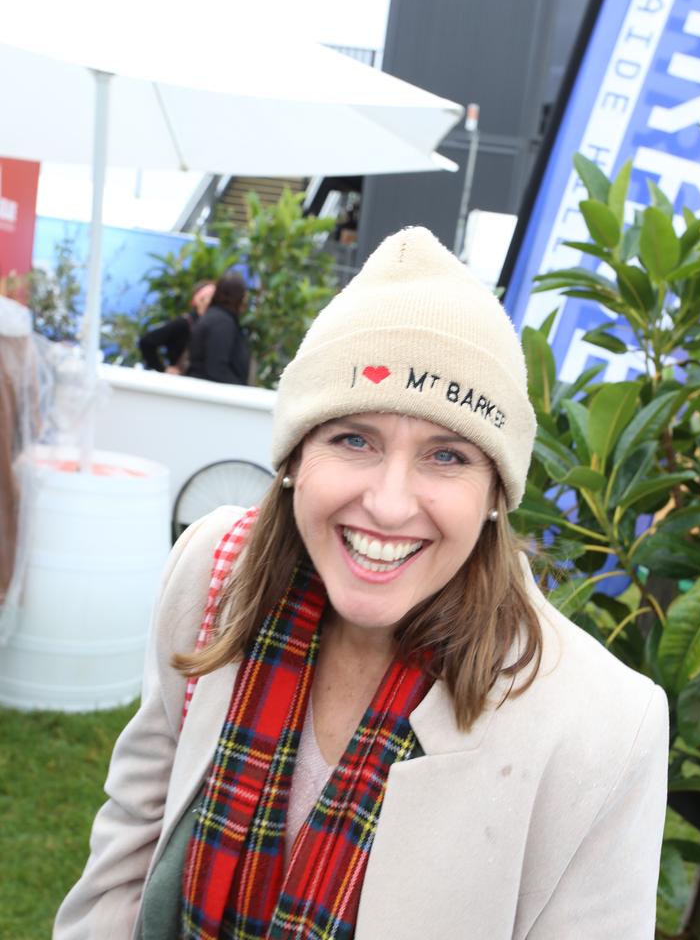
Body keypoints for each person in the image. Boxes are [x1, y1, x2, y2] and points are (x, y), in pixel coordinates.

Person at [54, 227, 668, 940]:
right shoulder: (212, 572)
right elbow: (129, 844)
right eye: (354, 439)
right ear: (293, 458)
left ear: (497, 493)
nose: (388, 502)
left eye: (447, 455)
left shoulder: (604, 726)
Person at [185, 271, 250, 385]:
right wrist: (242, 392)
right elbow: (217, 369)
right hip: (209, 395)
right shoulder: (221, 322)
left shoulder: (217, 317)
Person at [138, 280, 215, 375]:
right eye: (204, 298)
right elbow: (146, 342)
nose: (208, 301)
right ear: (195, 300)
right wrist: (163, 369)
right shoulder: (184, 323)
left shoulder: (215, 326)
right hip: (180, 383)